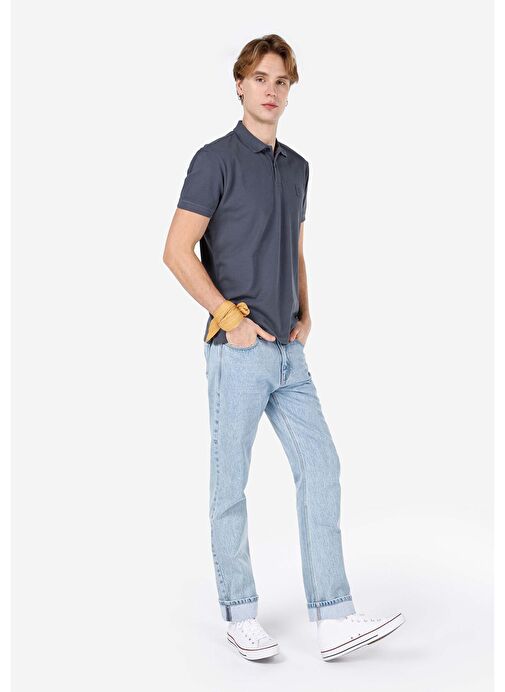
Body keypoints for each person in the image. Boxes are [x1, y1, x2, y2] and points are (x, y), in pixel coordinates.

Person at [163, 33, 405, 662]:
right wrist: (229, 318)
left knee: (321, 466)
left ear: (290, 91)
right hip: (237, 348)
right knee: (230, 483)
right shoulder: (213, 159)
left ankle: (334, 616)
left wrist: (306, 311)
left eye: (281, 81)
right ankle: (240, 613)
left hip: (289, 355)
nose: (271, 91)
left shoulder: (297, 167)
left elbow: (294, 247)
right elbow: (176, 251)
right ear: (239, 85)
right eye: (260, 79)